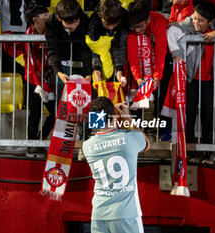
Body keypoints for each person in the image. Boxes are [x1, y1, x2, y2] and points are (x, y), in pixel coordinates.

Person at [167, 1, 215, 163]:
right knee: (189, 116)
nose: (196, 23)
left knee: (208, 117)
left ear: (210, 21)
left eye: (200, 20)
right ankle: (191, 154)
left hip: (208, 80)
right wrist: (176, 53)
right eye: (195, 18)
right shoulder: (187, 24)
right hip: (190, 79)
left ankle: (208, 153)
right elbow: (171, 31)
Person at [82, 97, 149, 233]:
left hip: (98, 214)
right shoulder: (129, 138)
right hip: (126, 214)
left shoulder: (87, 146)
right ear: (113, 114)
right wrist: (127, 118)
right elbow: (146, 144)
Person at [3, 5, 55, 143]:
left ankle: (42, 138)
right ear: (35, 20)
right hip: (33, 80)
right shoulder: (26, 36)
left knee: (56, 112)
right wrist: (6, 37)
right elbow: (11, 48)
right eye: (45, 15)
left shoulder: (52, 33)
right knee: (35, 114)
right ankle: (32, 143)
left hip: (50, 79)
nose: (48, 17)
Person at [127, 0, 172, 141]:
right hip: (139, 68)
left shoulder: (159, 22)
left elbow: (161, 52)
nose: (137, 30)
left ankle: (158, 131)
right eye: (134, 27)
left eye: (140, 26)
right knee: (136, 98)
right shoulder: (133, 27)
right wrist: (138, 78)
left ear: (148, 19)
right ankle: (137, 132)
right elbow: (132, 55)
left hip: (161, 65)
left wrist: (157, 76)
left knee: (161, 97)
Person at [45, 0, 92, 103]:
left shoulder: (84, 19)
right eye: (69, 23)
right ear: (59, 18)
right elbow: (52, 50)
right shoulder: (51, 23)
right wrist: (59, 72)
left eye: (76, 21)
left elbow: (86, 48)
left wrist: (88, 73)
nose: (74, 26)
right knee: (63, 103)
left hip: (82, 64)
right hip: (62, 66)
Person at [86, 0, 129, 83]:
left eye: (115, 24)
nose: (111, 28)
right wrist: (97, 71)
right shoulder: (93, 23)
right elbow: (95, 49)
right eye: (107, 24)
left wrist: (119, 72)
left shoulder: (125, 18)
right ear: (99, 15)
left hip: (115, 55)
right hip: (99, 58)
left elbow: (120, 46)